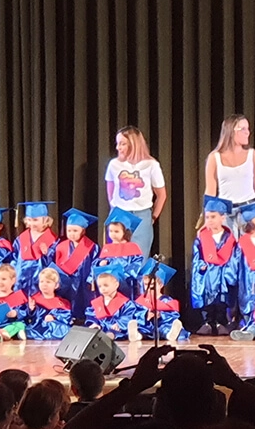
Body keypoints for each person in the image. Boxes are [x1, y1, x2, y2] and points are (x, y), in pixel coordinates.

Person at [104, 125, 167, 259]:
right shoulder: (114, 164)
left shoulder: (151, 165)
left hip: (141, 216)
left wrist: (153, 217)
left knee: (139, 258)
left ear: (133, 144)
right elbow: (110, 191)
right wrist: (114, 210)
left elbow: (161, 195)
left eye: (122, 144)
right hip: (119, 215)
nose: (118, 147)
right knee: (116, 258)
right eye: (117, 143)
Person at [204, 114, 255, 236]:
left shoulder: (253, 155)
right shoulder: (214, 158)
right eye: (243, 129)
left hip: (250, 212)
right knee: (226, 247)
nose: (247, 132)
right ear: (231, 131)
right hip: (225, 214)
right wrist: (208, 218)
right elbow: (210, 192)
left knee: (250, 248)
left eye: (248, 129)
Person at [191, 196, 241, 336]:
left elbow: (234, 257)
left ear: (223, 217)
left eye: (213, 217)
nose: (210, 220)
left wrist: (228, 270)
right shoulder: (201, 238)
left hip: (223, 274)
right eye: (207, 217)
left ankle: (221, 322)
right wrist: (200, 265)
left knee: (222, 299)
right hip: (207, 274)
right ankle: (207, 322)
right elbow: (197, 256)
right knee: (207, 299)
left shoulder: (230, 239)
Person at [48, 209, 100, 319]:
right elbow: (55, 264)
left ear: (83, 231)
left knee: (84, 300)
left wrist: (91, 279)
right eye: (69, 230)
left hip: (84, 281)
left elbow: (95, 263)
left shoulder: (92, 247)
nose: (72, 234)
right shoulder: (60, 246)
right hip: (66, 282)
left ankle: (85, 319)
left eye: (75, 230)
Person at [129, 260, 186, 342]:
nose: (149, 287)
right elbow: (136, 313)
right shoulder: (142, 300)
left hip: (162, 325)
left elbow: (173, 315)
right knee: (141, 327)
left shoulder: (166, 300)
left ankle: (170, 334)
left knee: (165, 328)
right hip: (147, 325)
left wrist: (161, 315)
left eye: (152, 285)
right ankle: (136, 335)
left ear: (161, 285)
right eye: (146, 284)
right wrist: (146, 315)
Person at [94, 208, 146, 299]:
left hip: (126, 283)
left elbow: (135, 266)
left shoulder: (133, 247)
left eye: (116, 231)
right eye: (110, 231)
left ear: (125, 232)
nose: (113, 234)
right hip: (108, 284)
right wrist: (100, 263)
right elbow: (97, 264)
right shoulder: (107, 248)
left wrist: (122, 276)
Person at [13, 201, 58, 294]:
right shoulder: (20, 239)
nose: (32, 223)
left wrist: (48, 253)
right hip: (21, 281)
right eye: (29, 220)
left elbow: (55, 263)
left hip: (40, 282)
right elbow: (14, 258)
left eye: (35, 220)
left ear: (45, 220)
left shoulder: (53, 240)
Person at [83, 264, 135, 340]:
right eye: (100, 286)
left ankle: (109, 337)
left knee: (114, 333)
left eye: (106, 285)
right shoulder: (97, 303)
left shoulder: (125, 303)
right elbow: (92, 316)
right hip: (99, 329)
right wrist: (94, 323)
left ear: (116, 285)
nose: (103, 289)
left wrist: (119, 324)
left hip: (115, 329)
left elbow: (127, 316)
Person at [27, 267, 75, 340]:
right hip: (38, 327)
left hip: (54, 327)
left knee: (65, 329)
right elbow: (30, 318)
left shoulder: (62, 303)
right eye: (41, 281)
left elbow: (66, 317)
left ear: (56, 285)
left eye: (48, 282)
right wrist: (31, 310)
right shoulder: (34, 299)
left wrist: (54, 317)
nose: (44, 284)